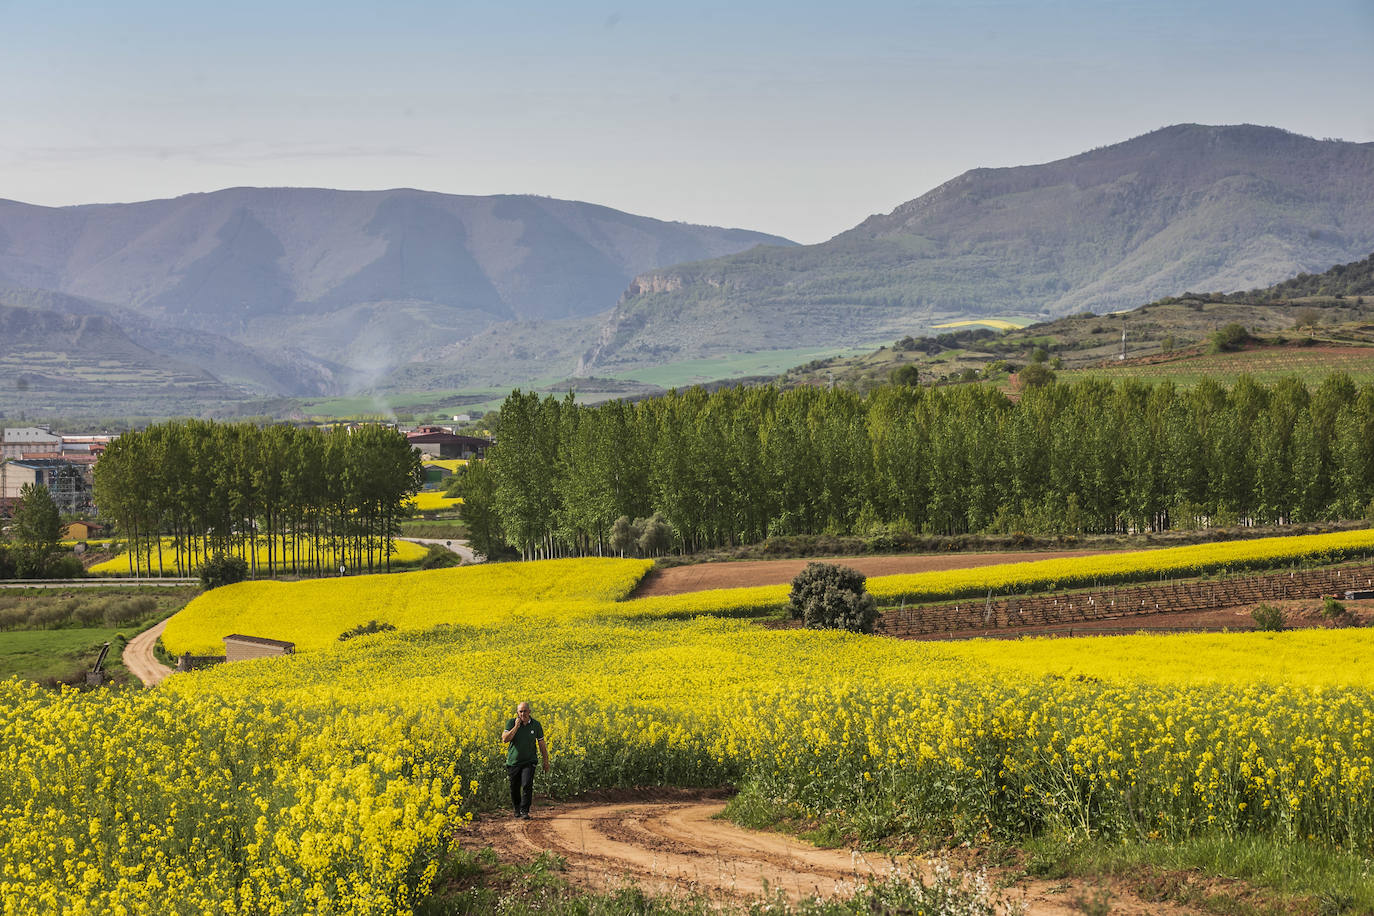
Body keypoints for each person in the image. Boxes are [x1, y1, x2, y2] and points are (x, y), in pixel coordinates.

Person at [501, 700, 548, 819]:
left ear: (529, 711)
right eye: (520, 712)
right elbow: (505, 739)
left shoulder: (536, 725)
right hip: (514, 762)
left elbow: (541, 743)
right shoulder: (511, 722)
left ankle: (524, 811)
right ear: (517, 712)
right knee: (514, 787)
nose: (523, 714)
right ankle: (517, 809)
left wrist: (545, 761)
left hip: (529, 761)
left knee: (527, 784)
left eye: (525, 711)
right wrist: (516, 726)